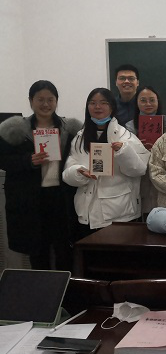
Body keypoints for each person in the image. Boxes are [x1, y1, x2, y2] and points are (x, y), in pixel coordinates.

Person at [0, 80, 82, 270]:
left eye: (50, 99)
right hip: (30, 200)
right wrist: (28, 160)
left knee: (65, 250)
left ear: (56, 101)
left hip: (62, 198)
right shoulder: (15, 129)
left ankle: (66, 287)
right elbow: (3, 160)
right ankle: (42, 288)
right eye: (40, 99)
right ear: (31, 101)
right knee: (38, 252)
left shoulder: (71, 129)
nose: (46, 104)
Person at [62, 88, 150, 238]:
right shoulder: (80, 138)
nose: (97, 107)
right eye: (92, 103)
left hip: (119, 214)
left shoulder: (125, 136)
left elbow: (139, 170)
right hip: (86, 214)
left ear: (112, 107)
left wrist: (123, 151)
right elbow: (67, 172)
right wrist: (78, 172)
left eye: (103, 103)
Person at [123, 86, 166, 216]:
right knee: (144, 213)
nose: (148, 104)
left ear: (158, 102)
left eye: (152, 100)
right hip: (141, 178)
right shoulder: (129, 127)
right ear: (137, 102)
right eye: (143, 100)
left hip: (164, 177)